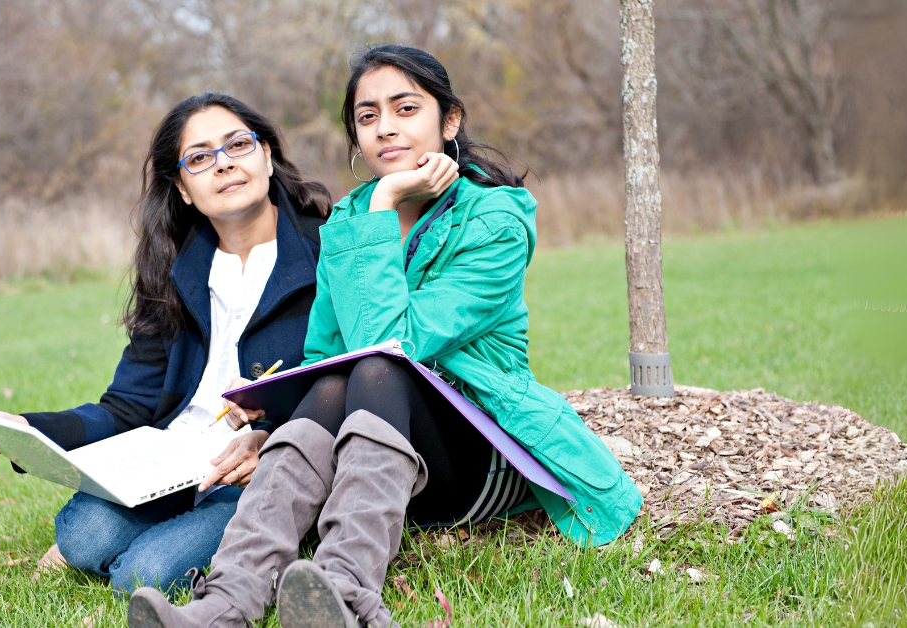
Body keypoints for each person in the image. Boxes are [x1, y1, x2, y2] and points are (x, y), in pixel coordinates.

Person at [127, 45, 643, 628]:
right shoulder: (348, 221)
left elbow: (389, 344)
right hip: (381, 464)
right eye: (367, 116)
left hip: (485, 452)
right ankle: (224, 605)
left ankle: (347, 600)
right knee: (328, 385)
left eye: (405, 108)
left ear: (449, 121)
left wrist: (383, 202)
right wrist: (268, 425)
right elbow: (324, 356)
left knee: (375, 369)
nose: (385, 128)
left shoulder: (494, 220)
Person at [0, 92, 332, 594]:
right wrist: (26, 430)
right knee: (83, 534)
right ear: (183, 188)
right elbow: (129, 404)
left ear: (267, 155)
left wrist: (272, 434)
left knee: (143, 575)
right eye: (200, 157)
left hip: (258, 467)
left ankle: (240, 544)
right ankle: (175, 538)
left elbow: (342, 382)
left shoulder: (328, 252)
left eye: (238, 144)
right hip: (168, 467)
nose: (225, 164)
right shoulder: (171, 269)